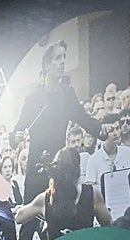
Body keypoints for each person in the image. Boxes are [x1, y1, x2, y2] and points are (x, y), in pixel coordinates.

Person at [12, 41, 103, 203]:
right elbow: (18, 129)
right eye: (58, 58)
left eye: (64, 58)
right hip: (36, 169)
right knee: (29, 224)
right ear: (47, 65)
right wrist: (15, 138)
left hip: (59, 169)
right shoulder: (33, 98)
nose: (62, 62)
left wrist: (103, 130)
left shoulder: (67, 94)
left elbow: (84, 118)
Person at [15, 147, 111, 240]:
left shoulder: (46, 198)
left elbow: (19, 218)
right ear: (78, 169)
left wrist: (42, 213)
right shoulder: (93, 194)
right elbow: (107, 224)